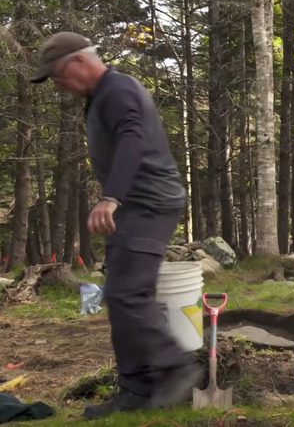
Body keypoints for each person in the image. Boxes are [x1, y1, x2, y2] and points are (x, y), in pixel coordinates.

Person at [30, 32, 203, 419]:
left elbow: (132, 137)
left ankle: (175, 366)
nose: (59, 85)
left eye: (58, 76)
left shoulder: (117, 89)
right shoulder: (102, 95)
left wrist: (112, 197)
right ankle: (137, 388)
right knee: (122, 295)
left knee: (128, 294)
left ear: (78, 62)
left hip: (148, 204)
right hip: (133, 209)